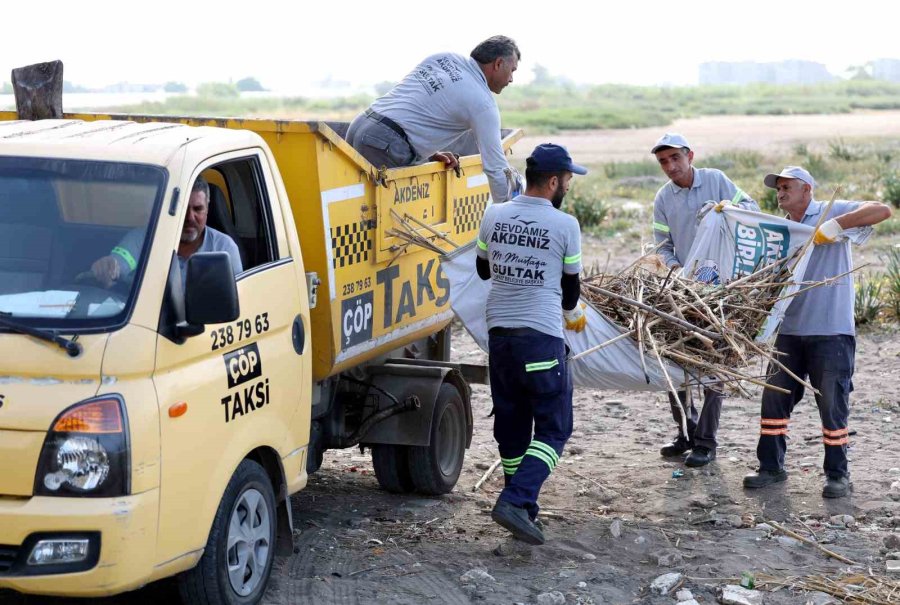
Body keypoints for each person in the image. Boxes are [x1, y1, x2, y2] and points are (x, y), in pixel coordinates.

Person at [743, 166, 891, 498]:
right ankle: (770, 468)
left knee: (832, 404)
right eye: (777, 188)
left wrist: (836, 225)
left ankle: (838, 475)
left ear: (807, 189)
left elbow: (882, 210)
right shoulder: (782, 228)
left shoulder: (831, 210)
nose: (780, 193)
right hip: (790, 330)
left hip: (831, 330)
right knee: (774, 399)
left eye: (787, 187)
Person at [476, 143, 588, 545]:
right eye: (569, 180)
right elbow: (570, 294)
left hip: (500, 341)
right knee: (555, 428)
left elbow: (483, 269)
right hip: (540, 340)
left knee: (512, 429)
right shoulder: (565, 225)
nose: (569, 188)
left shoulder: (493, 214)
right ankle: (515, 499)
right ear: (554, 181)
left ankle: (523, 511)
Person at [651, 132, 760, 467]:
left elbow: (752, 210)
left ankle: (706, 441)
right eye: (663, 162)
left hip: (722, 289)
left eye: (675, 158)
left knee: (717, 364)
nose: (671, 166)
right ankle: (685, 431)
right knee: (672, 359)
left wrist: (728, 209)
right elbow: (662, 244)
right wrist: (675, 269)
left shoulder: (716, 181)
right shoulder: (662, 199)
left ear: (690, 156)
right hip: (683, 291)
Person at [347, 35, 521, 204]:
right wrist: (506, 216)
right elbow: (496, 168)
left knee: (354, 207)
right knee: (394, 218)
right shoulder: (483, 104)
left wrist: (430, 154)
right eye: (512, 70)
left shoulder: (444, 58)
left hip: (360, 126)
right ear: (498, 64)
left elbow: (414, 107)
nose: (511, 79)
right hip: (384, 144)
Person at [91, 177, 242, 287]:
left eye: (198, 209)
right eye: (182, 209)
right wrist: (108, 267)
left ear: (207, 210)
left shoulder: (225, 248)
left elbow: (234, 304)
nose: (190, 217)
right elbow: (117, 265)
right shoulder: (141, 239)